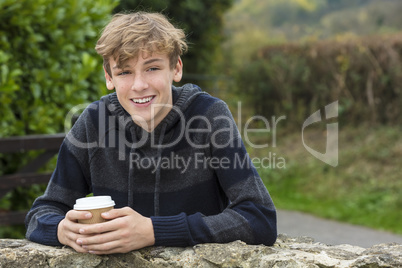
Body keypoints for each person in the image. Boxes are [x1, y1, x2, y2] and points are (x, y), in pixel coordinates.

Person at [25, 11, 277, 255]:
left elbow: (259, 217)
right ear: (109, 77)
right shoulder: (93, 122)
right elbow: (42, 212)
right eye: (124, 72)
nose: (139, 85)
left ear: (176, 68)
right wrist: (61, 230)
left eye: (152, 68)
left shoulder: (210, 116)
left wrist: (154, 230)